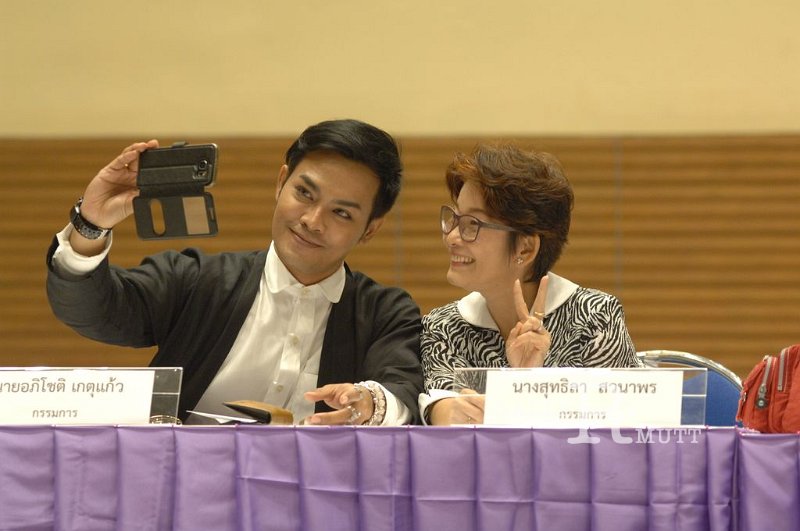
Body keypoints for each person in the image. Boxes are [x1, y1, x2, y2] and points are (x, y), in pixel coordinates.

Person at [46, 119, 424, 426]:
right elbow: (94, 311)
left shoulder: (384, 314)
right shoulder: (198, 279)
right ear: (281, 183)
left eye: (341, 212)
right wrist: (90, 223)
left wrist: (371, 402)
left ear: (370, 229)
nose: (312, 220)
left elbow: (402, 392)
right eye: (304, 194)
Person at [420, 142, 641, 426]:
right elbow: (441, 411)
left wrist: (530, 384)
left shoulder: (594, 317)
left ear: (525, 248)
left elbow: (628, 424)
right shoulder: (443, 326)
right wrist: (445, 412)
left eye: (472, 224)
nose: (452, 237)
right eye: (454, 218)